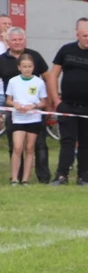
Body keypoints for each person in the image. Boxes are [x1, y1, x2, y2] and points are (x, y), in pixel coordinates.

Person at [47, 19, 88, 186]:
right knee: (67, 141)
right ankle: (61, 175)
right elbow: (53, 75)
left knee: (87, 142)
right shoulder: (66, 50)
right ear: (77, 34)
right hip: (67, 105)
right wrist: (56, 100)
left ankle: (84, 177)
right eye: (85, 36)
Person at [0, 27, 52, 183]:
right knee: (15, 146)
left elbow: (47, 78)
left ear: (25, 40)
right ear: (8, 41)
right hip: (13, 110)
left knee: (39, 145)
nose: (17, 42)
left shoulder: (35, 56)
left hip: (34, 111)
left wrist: (46, 104)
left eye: (20, 39)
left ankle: (43, 177)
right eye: (14, 40)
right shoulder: (2, 59)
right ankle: (17, 176)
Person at [7, 54, 48, 186]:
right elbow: (8, 100)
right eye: (24, 66)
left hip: (33, 119)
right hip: (18, 119)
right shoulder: (13, 81)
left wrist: (33, 106)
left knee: (30, 148)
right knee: (17, 147)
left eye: (29, 66)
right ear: (19, 67)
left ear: (33, 67)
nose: (27, 69)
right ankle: (14, 178)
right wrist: (15, 104)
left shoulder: (39, 82)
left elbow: (43, 102)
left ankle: (25, 179)